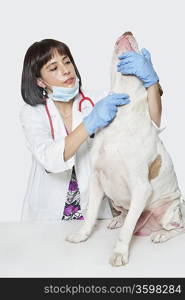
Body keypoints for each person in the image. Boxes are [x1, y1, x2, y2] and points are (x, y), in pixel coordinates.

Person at [20, 39, 162, 221]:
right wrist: (90, 123)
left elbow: (150, 121)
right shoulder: (32, 113)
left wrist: (151, 82)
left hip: (96, 213)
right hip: (48, 216)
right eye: (53, 68)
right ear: (40, 81)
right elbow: (49, 159)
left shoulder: (100, 100)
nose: (65, 70)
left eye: (67, 61)